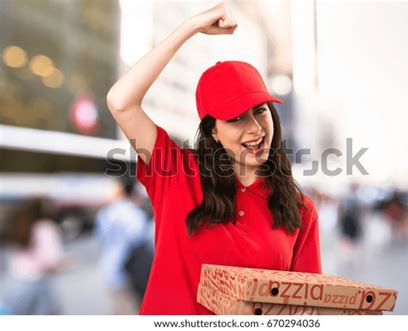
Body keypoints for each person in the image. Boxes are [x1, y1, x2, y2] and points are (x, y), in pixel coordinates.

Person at [106, 2, 322, 315]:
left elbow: (307, 309)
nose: (254, 128)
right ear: (214, 132)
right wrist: (189, 28)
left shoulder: (301, 210)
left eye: (260, 111)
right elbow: (121, 102)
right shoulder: (177, 174)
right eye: (235, 118)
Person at [95, 176, 149, 314]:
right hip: (130, 272)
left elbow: (101, 239)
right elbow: (139, 241)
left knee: (119, 311)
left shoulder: (105, 212)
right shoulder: (135, 214)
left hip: (109, 268)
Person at [2, 197, 64, 315]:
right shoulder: (46, 228)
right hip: (39, 285)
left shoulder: (19, 224)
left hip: (15, 283)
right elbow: (51, 261)